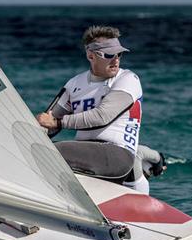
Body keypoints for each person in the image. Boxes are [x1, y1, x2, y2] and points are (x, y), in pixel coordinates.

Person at [36, 26, 165, 194]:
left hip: (117, 156)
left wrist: (57, 122)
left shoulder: (128, 79)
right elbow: (48, 123)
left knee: (49, 153)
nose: (116, 60)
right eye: (110, 55)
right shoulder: (74, 84)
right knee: (35, 147)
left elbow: (102, 116)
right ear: (91, 55)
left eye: (119, 54)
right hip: (87, 155)